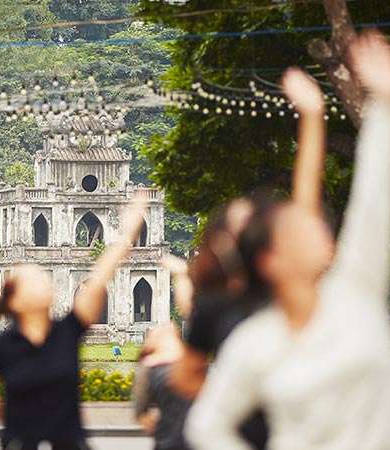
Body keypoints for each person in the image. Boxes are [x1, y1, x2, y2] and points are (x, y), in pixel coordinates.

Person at [187, 30, 390, 450]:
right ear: (271, 260)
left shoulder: (355, 289)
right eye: (299, 228)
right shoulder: (256, 342)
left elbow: (373, 201)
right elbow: (206, 427)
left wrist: (384, 105)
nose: (317, 226)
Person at [141, 62, 329, 450]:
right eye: (239, 226)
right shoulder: (215, 306)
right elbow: (188, 378)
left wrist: (312, 119)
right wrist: (231, 395)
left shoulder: (284, 291)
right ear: (222, 242)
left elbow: (305, 209)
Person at [0, 197, 147, 450]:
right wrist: (13, 420)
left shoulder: (66, 332)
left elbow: (99, 278)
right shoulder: (5, 345)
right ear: (15, 302)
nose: (43, 282)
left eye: (42, 279)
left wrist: (126, 235)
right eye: (33, 281)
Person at [133, 256, 194, 450]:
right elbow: (140, 413)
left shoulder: (193, 357)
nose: (161, 327)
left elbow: (193, 314)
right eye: (154, 332)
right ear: (151, 349)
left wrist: (181, 276)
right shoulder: (154, 369)